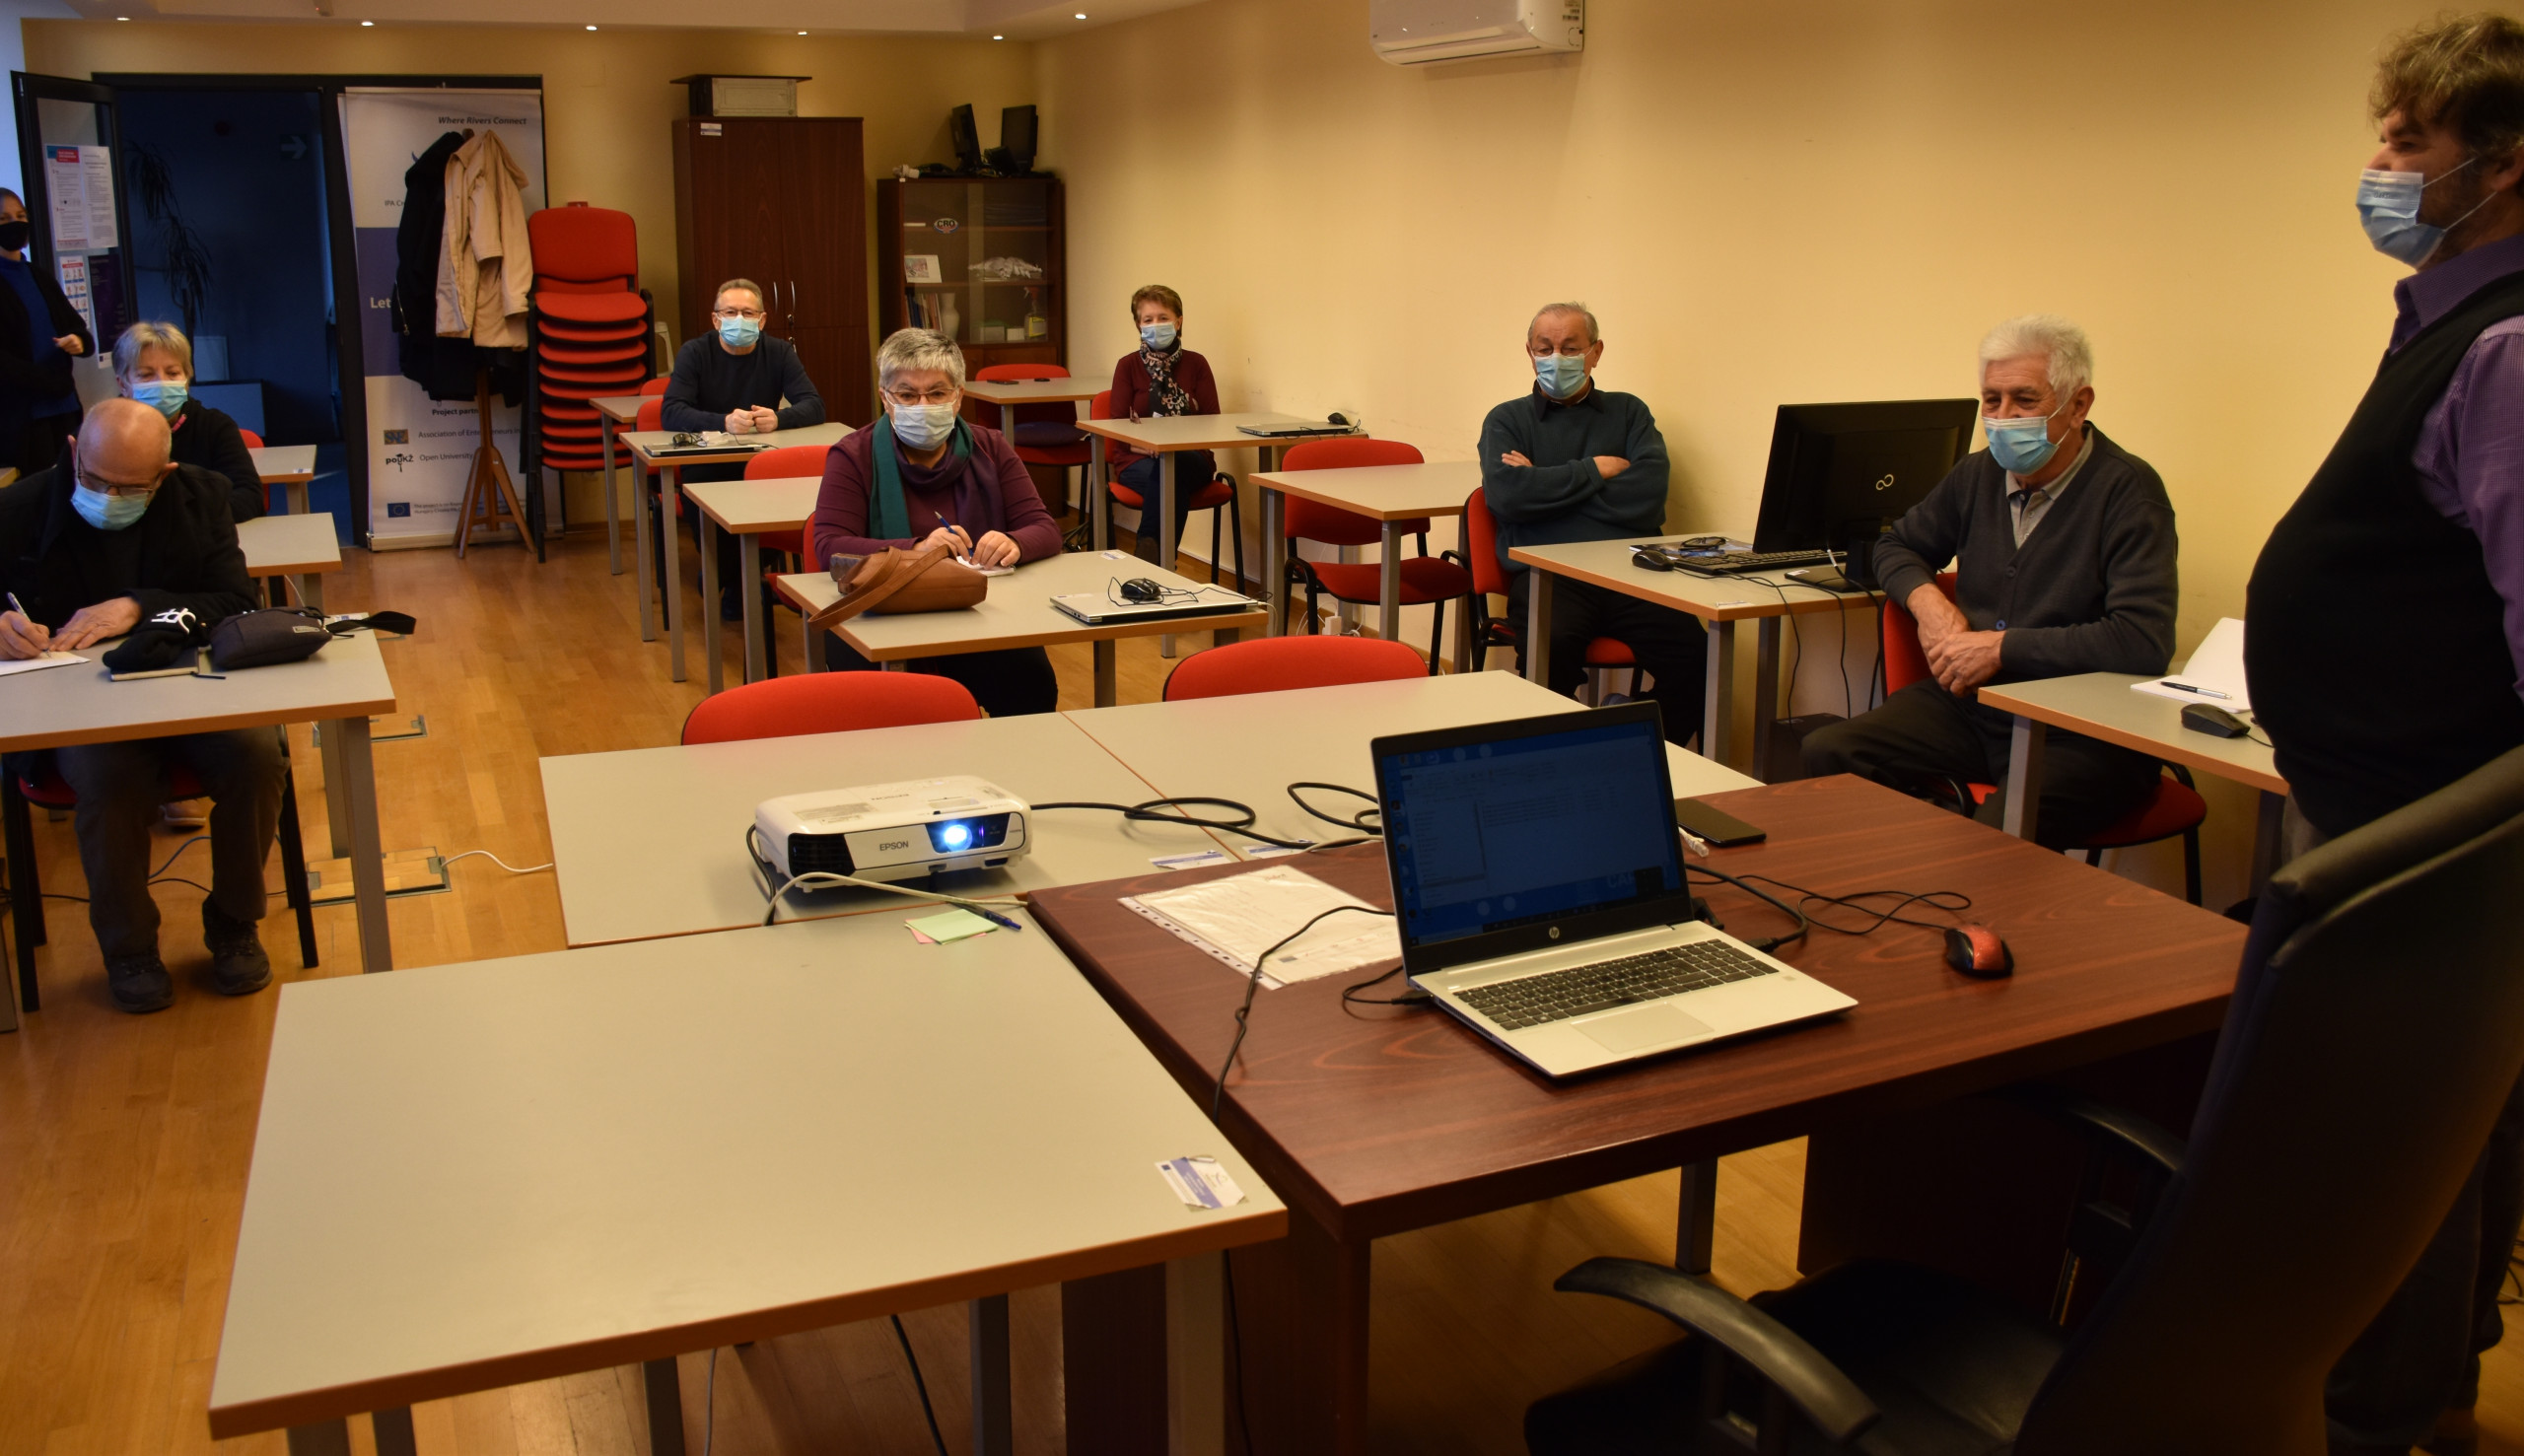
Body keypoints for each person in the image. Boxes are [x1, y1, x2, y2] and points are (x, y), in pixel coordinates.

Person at [2246, 16, 2524, 1454]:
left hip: (2419, 828)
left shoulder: (2512, 348)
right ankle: (2424, 1377)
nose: (2381, 167)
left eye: (2410, 144)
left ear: (2503, 162)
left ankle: (2381, 1414)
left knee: (2391, 1132)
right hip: (2379, 797)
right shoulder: (2448, 323)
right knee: (2428, 1122)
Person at [1800, 316, 2177, 845]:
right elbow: (1897, 546)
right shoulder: (1978, 474)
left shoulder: (2129, 491)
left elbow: (2142, 640)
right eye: (1991, 401)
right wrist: (1929, 603)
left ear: (2079, 405)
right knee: (1830, 750)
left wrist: (2003, 648)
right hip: (1974, 707)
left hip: (2079, 731)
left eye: (2024, 400)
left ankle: (1963, 880)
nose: (2002, 418)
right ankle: (1912, 871)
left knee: (1998, 831)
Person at [0, 398, 280, 1013]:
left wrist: (138, 606)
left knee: (258, 756)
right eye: (96, 479)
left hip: (189, 688)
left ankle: (234, 921)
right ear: (74, 452)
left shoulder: (201, 497)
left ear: (165, 474)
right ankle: (129, 948)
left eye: (131, 488)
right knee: (110, 779)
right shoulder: (19, 508)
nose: (108, 496)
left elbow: (234, 600)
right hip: (75, 707)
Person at [1479, 302, 1708, 745]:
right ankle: (1559, 761)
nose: (1556, 358)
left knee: (1699, 657)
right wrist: (1595, 470)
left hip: (1629, 573)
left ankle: (1631, 746)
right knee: (1552, 651)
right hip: (1549, 576)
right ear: (1529, 352)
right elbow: (1508, 496)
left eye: (1570, 348)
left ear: (1596, 352)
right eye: (1544, 348)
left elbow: (1646, 499)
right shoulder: (1507, 419)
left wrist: (1543, 485)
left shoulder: (1629, 412)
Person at [808, 328, 1062, 717]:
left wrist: (1014, 542)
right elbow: (829, 545)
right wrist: (918, 550)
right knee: (888, 709)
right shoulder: (853, 455)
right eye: (908, 395)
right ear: (885, 398)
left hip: (978, 610)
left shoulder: (991, 447)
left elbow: (1044, 528)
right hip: (875, 615)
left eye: (937, 393)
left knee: (1032, 683)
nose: (922, 406)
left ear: (959, 396)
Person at [659, 278, 824, 619]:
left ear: (761, 320)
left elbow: (813, 405)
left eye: (748, 313)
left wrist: (779, 418)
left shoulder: (778, 352)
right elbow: (671, 411)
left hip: (762, 463)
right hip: (708, 466)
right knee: (712, 520)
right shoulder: (695, 352)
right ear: (715, 319)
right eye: (730, 312)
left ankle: (728, 579)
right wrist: (723, 421)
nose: (739, 320)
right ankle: (736, 580)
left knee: (777, 512)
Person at [1106, 285, 1220, 566]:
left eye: (1163, 318)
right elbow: (1117, 427)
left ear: (1178, 322)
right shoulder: (1127, 366)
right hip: (1136, 459)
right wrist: (1150, 448)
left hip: (1192, 457)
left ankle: (1146, 564)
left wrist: (1171, 448)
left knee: (1171, 468)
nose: (1155, 325)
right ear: (1138, 325)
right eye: (1148, 319)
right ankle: (1162, 565)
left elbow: (1213, 421)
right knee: (1170, 481)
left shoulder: (1197, 364)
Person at [113, 321, 260, 525]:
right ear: (123, 384)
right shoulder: (101, 434)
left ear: (186, 380)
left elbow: (249, 496)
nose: (162, 382)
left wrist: (183, 523)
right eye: (146, 375)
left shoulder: (215, 426)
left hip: (202, 540)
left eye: (173, 373)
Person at [0, 187, 91, 478]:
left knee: (74, 484)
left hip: (63, 406)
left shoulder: (38, 275)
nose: (15, 224)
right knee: (37, 493)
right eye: (3, 219)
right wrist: (48, 381)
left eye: (20, 216)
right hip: (23, 417)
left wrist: (78, 341)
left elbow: (75, 326)